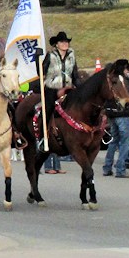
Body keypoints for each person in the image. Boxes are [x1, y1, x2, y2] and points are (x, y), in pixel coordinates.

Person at [40, 31, 80, 173]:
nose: (65, 44)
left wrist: (79, 89)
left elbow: (75, 74)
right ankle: (41, 139)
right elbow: (41, 72)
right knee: (48, 113)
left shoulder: (71, 56)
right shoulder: (50, 56)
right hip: (52, 88)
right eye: (62, 42)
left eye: (66, 41)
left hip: (67, 88)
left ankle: (60, 161)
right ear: (56, 44)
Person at [103, 62, 129, 178]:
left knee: (114, 140)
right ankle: (120, 169)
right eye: (127, 69)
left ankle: (107, 167)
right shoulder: (120, 80)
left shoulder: (107, 80)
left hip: (111, 112)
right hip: (121, 112)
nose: (128, 72)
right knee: (125, 141)